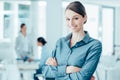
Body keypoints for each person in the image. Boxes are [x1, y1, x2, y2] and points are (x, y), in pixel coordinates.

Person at [42, 1, 102, 80]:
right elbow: (45, 71)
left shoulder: (94, 45)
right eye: (68, 19)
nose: (71, 23)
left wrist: (57, 69)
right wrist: (68, 69)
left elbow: (82, 77)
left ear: (84, 18)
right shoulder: (60, 42)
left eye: (76, 18)